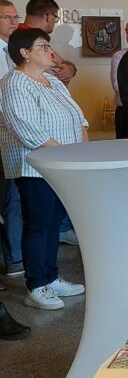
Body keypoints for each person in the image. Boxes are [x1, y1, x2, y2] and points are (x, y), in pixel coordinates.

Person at [0, 28, 87, 311]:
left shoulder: (53, 81)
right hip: (34, 166)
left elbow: (78, 115)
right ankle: (36, 285)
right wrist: (65, 153)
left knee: (53, 223)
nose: (51, 52)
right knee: (38, 224)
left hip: (64, 164)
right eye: (43, 47)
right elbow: (26, 127)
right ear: (24, 53)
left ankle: (51, 277)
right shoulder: (14, 82)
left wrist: (84, 149)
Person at [0, 0, 24, 282]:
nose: (13, 21)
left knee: (15, 198)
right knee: (8, 199)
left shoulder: (17, 51)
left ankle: (16, 258)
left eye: (15, 16)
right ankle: (12, 258)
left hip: (16, 136)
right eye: (7, 17)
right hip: (3, 130)